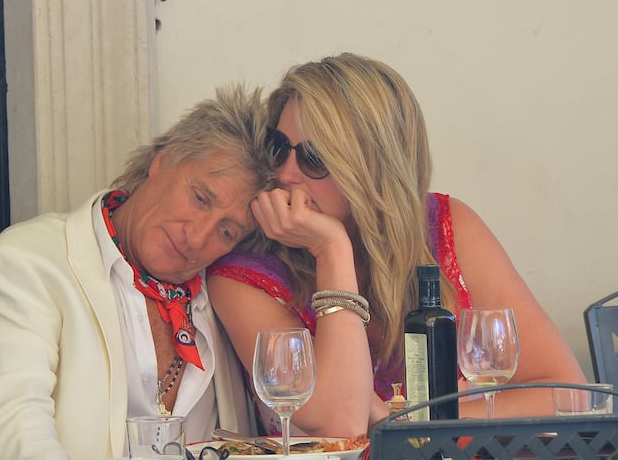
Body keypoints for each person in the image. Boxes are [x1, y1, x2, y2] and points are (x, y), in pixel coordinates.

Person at [206, 53, 587, 439]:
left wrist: (403, 417)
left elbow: (566, 393)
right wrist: (332, 250)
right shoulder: (242, 274)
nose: (285, 174)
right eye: (278, 147)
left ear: (375, 166)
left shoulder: (447, 226)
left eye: (314, 157)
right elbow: (340, 423)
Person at [0, 85, 273, 460]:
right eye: (200, 198)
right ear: (162, 161)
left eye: (227, 232)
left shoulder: (224, 298)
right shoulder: (23, 264)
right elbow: (15, 446)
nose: (197, 236)